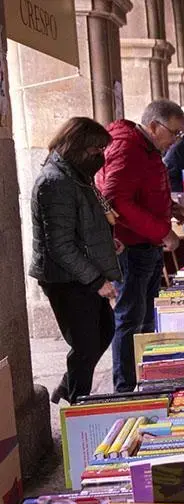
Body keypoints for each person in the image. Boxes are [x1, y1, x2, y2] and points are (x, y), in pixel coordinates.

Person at [97, 100, 184, 393]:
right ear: (153, 126)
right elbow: (115, 200)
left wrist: (170, 207)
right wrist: (163, 231)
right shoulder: (127, 148)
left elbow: (141, 192)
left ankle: (145, 381)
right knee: (130, 319)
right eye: (174, 132)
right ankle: (125, 390)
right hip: (132, 247)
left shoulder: (147, 149)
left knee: (146, 317)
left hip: (146, 246)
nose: (175, 140)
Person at [29, 118, 121, 404]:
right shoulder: (55, 182)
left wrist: (107, 242)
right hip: (65, 278)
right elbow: (60, 244)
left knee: (104, 331)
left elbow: (85, 224)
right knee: (86, 342)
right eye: (96, 149)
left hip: (79, 272)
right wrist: (96, 280)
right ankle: (76, 402)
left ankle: (67, 392)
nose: (100, 156)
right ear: (78, 146)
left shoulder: (76, 176)